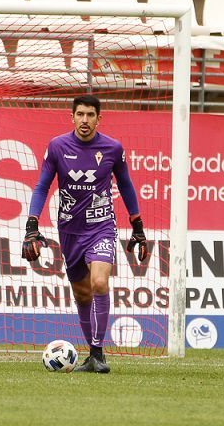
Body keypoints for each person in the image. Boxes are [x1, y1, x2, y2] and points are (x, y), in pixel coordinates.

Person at [22, 95, 148, 374]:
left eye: (91, 115)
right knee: (82, 293)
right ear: (72, 117)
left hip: (101, 225)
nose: (85, 120)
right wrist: (32, 224)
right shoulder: (57, 146)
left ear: (98, 118)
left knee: (100, 282)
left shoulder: (113, 148)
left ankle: (98, 353)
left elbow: (125, 184)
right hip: (69, 229)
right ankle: (92, 357)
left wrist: (136, 223)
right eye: (80, 114)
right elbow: (43, 185)